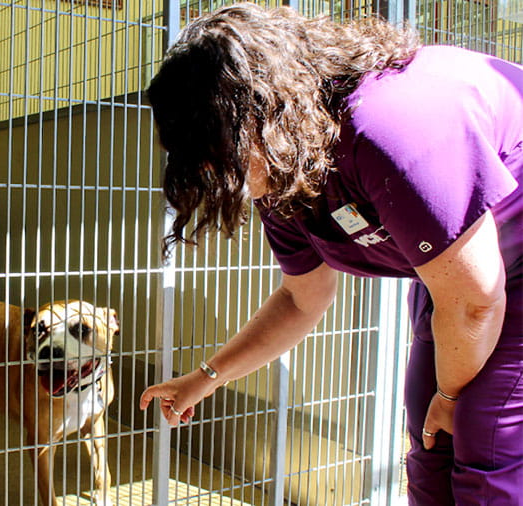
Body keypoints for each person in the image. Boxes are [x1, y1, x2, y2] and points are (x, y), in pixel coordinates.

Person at [138, 3, 522, 504]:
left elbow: (474, 302)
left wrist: (450, 396)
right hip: (459, 278)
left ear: (265, 109)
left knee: (482, 440)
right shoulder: (285, 166)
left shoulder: (388, 124)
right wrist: (206, 378)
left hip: (492, 276)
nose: (211, 173)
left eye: (216, 150)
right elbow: (301, 299)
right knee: (430, 445)